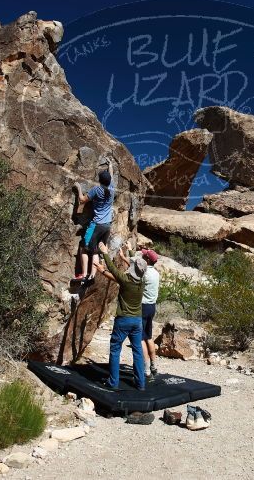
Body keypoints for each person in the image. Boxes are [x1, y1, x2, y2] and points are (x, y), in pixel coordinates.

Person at [95, 241, 147, 391]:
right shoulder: (142, 280)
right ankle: (140, 384)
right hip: (137, 320)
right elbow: (136, 264)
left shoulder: (125, 280)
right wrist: (130, 251)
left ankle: (113, 382)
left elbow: (112, 269)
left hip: (123, 319)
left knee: (115, 349)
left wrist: (104, 252)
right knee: (137, 352)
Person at [119, 242, 161, 380]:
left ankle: (146, 369)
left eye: (144, 256)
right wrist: (128, 255)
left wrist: (128, 253)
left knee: (140, 338)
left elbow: (134, 269)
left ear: (147, 260)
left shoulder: (145, 274)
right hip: (152, 307)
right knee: (148, 337)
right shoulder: (155, 273)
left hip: (142, 308)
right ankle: (154, 366)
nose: (142, 256)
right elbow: (135, 266)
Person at [74, 166, 114, 282]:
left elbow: (82, 200)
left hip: (96, 225)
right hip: (107, 225)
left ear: (100, 180)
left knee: (84, 247)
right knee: (95, 250)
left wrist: (78, 188)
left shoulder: (97, 190)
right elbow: (110, 176)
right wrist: (110, 166)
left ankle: (84, 275)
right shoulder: (112, 188)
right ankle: (92, 276)